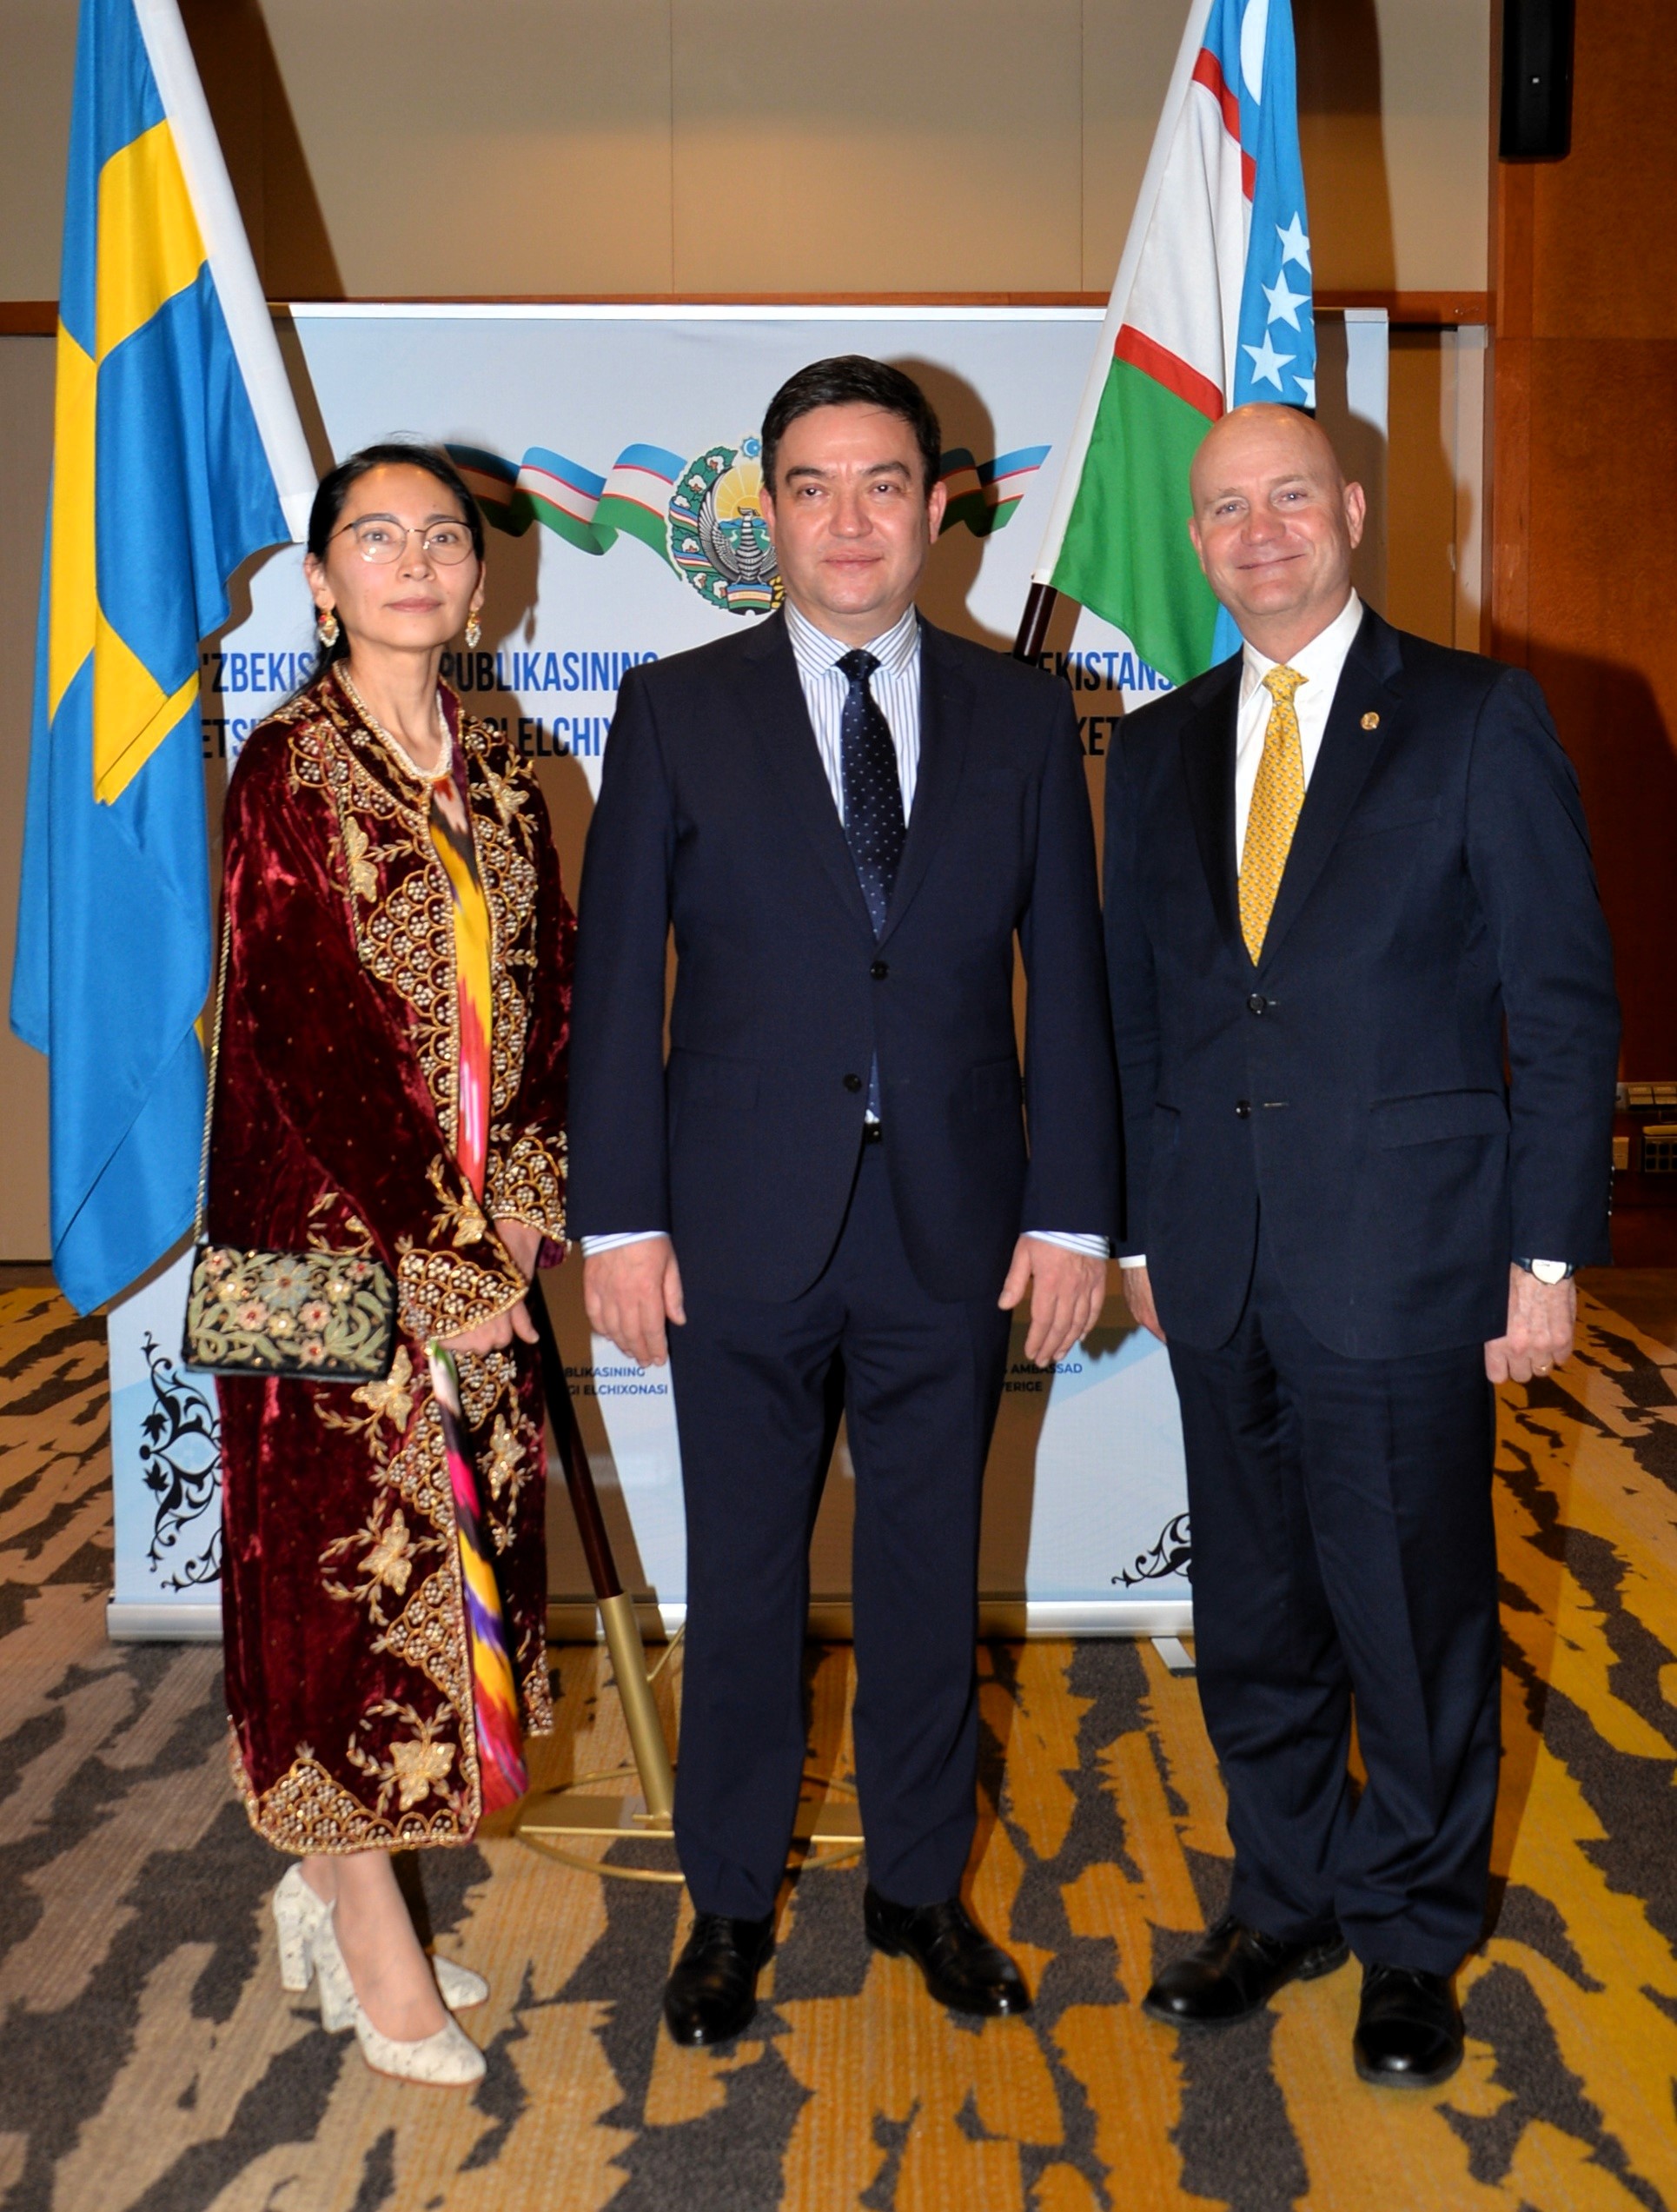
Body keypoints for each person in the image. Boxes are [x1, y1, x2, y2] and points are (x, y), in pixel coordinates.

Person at [569, 356, 1117, 2046]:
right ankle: (729, 1901)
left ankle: (916, 1890)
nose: (849, 519)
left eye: (882, 483)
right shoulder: (674, 708)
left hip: (951, 1225)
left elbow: (1069, 982)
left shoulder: (1021, 715)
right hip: (732, 1229)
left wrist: (1073, 1214)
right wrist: (616, 1221)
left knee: (923, 1577)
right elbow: (615, 987)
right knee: (740, 1585)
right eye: (810, 486)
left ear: (936, 506)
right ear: (769, 513)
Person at [1104, 402, 1618, 2087]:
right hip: (1214, 1255)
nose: (1256, 532)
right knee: (1250, 1608)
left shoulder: (1474, 716)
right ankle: (1284, 1894)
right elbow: (1133, 1015)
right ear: (1194, 540)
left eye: (1285, 499)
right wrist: (1133, 1228)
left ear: (1347, 509)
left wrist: (1544, 1254)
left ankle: (1407, 1929)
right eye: (1222, 509)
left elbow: (1560, 1005)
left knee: (1408, 1614)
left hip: (1407, 1257)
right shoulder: (1155, 748)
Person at [209, 442, 573, 2086]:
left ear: (479, 579)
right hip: (334, 1256)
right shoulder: (287, 766)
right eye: (376, 535)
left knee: (452, 1570)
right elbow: (312, 1032)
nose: (414, 560)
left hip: (481, 1246)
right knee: (342, 1593)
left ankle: (331, 1884)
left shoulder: (499, 768)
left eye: (442, 536)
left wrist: (528, 1204)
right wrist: (446, 1253)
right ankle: (368, 1929)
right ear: (320, 579)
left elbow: (549, 998)